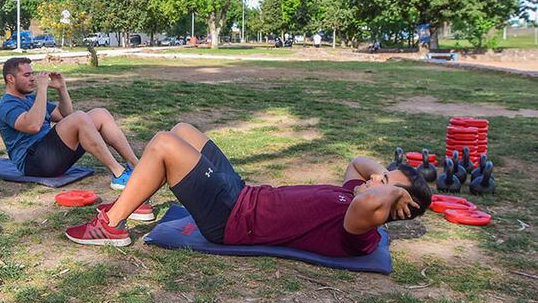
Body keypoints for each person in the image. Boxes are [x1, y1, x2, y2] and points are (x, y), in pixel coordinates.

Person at [65, 122, 432, 251]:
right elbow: (358, 162)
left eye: (382, 185)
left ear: (390, 206)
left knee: (163, 143)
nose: (373, 180)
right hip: (243, 194)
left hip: (233, 220)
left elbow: (368, 208)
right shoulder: (355, 193)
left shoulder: (359, 230)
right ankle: (138, 199)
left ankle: (112, 224)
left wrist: (394, 192)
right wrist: (387, 177)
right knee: (183, 131)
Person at [0, 58, 150, 207]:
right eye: (27, 75)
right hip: (34, 164)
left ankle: (136, 165)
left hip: (51, 156)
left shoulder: (30, 99)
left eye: (32, 74)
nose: (33, 79)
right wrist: (43, 89)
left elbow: (66, 116)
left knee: (100, 114)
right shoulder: (7, 105)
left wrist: (62, 88)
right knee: (80, 117)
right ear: (10, 78)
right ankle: (119, 174)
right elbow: (33, 126)